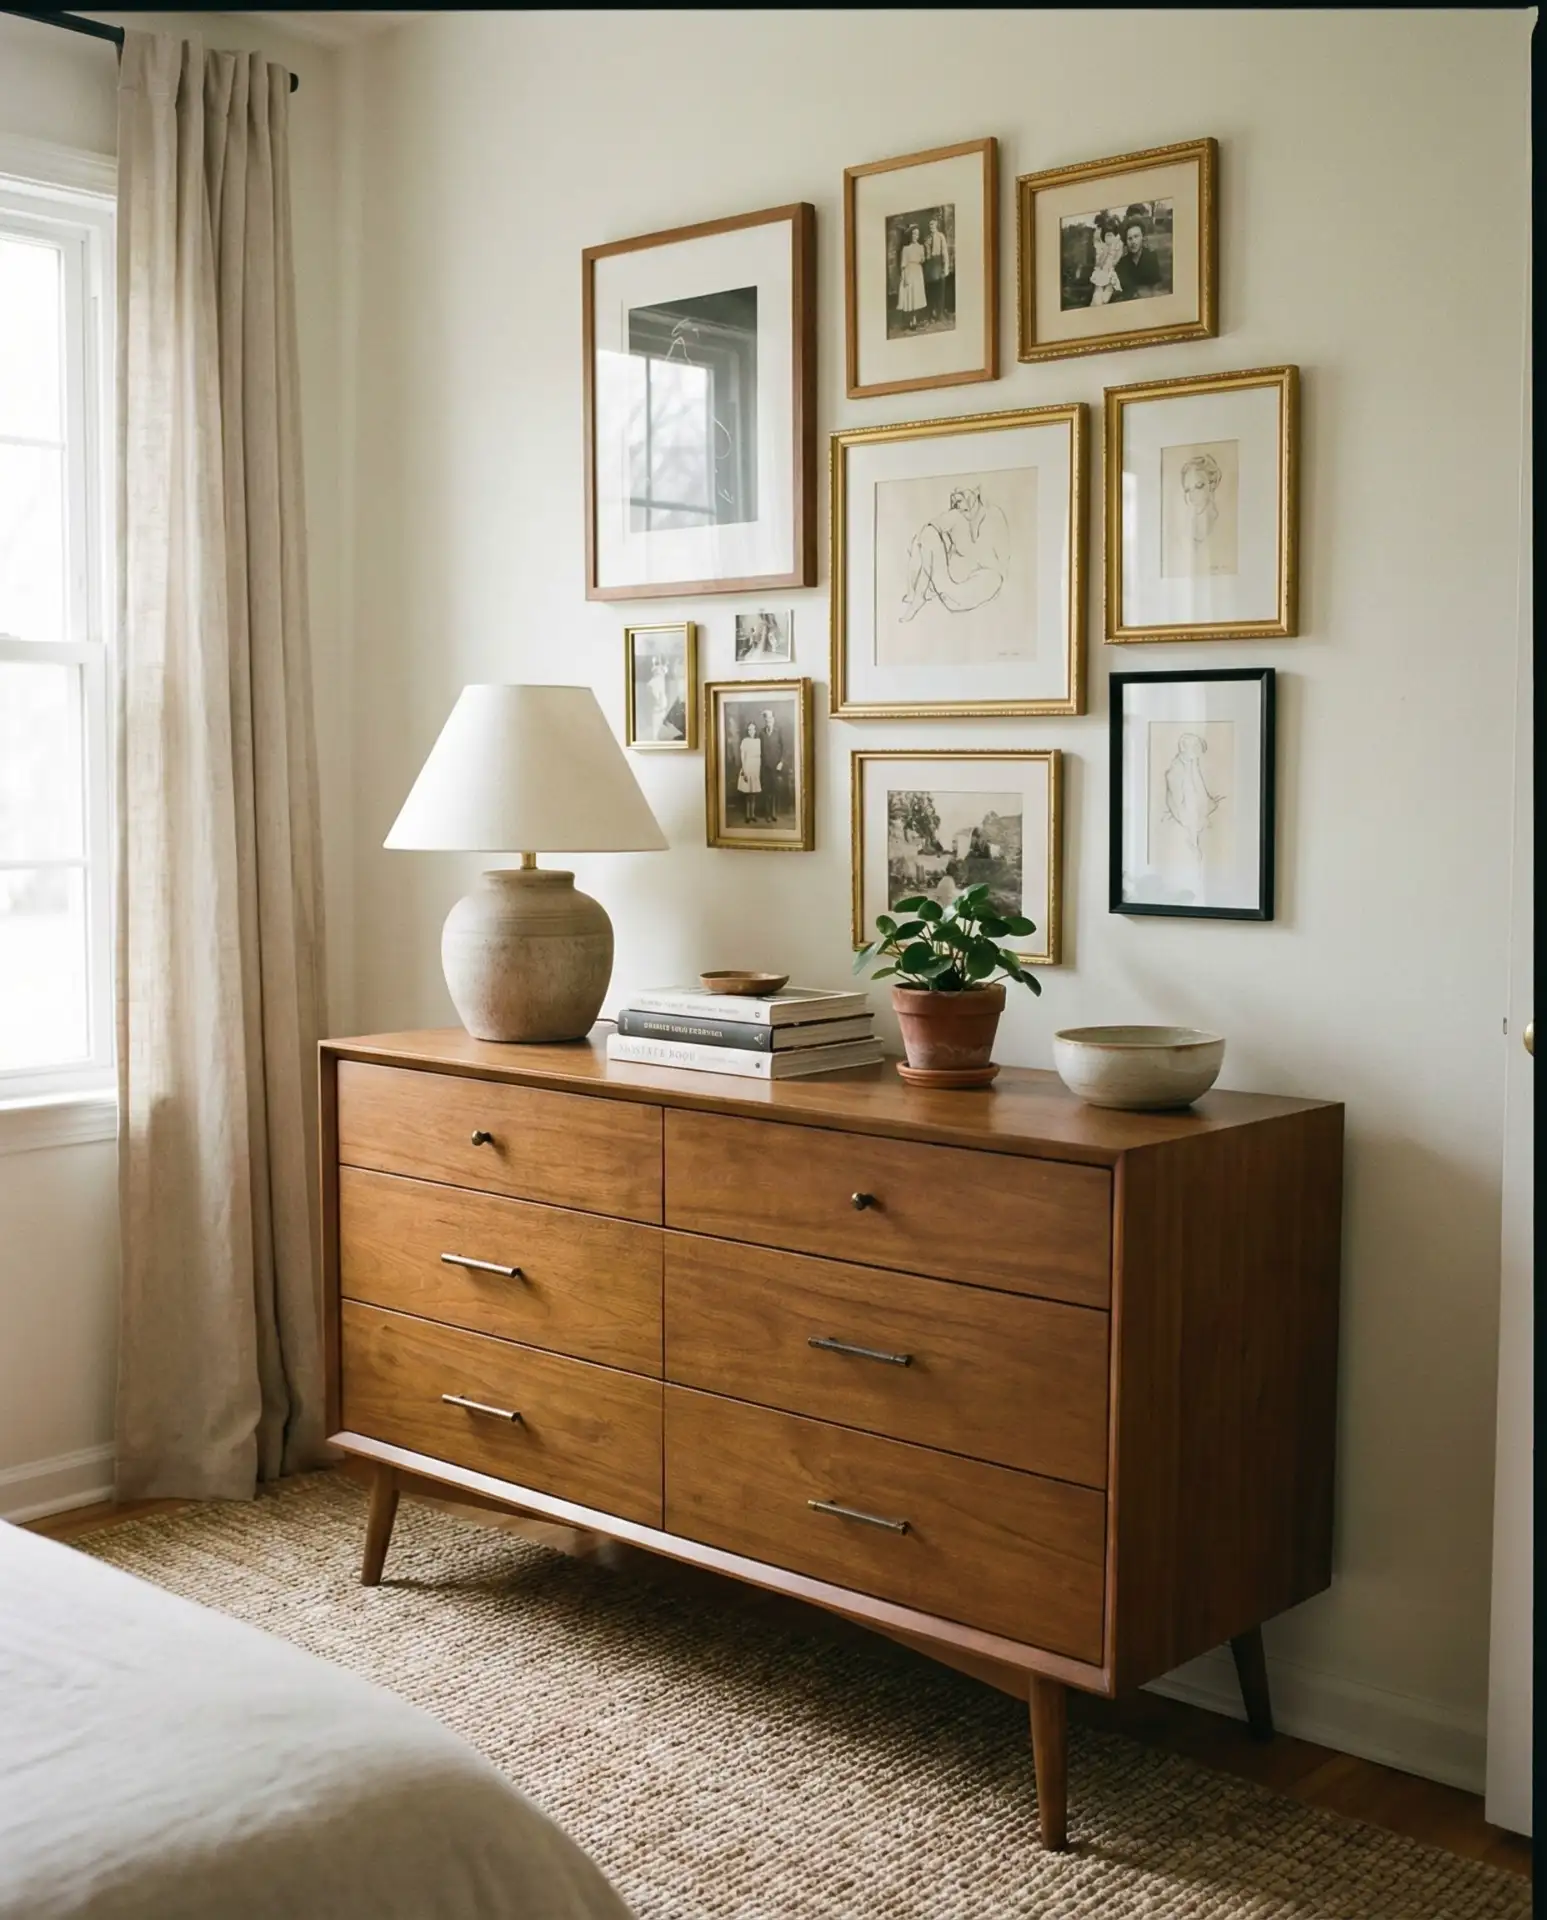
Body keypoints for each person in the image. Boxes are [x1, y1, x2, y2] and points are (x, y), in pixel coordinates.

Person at [900, 484, 1009, 620]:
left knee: (993, 577)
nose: (957, 504)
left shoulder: (993, 515)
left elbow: (1002, 562)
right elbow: (924, 535)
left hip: (976, 585)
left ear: (976, 492)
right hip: (948, 586)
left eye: (963, 496)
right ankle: (918, 596)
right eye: (955, 500)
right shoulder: (956, 516)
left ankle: (919, 596)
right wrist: (912, 588)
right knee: (927, 535)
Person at [1115, 214, 1162, 299]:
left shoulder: (1151, 257)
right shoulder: (1122, 263)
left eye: (1136, 236)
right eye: (1130, 238)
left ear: (1142, 237)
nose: (1133, 242)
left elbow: (1156, 286)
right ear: (1125, 242)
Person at [757, 707, 787, 823]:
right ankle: (767, 814)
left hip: (776, 766)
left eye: (770, 718)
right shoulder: (761, 733)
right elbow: (758, 750)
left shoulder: (778, 732)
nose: (768, 721)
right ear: (764, 721)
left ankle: (774, 813)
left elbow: (784, 749)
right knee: (766, 791)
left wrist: (781, 762)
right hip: (765, 767)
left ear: (773, 719)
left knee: (775, 790)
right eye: (766, 719)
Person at [1088, 212, 1124, 305]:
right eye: (1106, 235)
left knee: (1107, 293)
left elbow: (1116, 260)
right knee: (1097, 295)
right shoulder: (1101, 248)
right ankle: (1097, 300)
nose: (1109, 237)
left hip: (1110, 271)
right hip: (1101, 271)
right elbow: (1099, 263)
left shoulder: (1117, 246)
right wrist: (1105, 251)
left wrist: (1113, 251)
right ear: (1103, 237)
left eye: (1111, 235)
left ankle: (1107, 293)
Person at [895, 225, 927, 330]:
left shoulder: (921, 247)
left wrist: (923, 258)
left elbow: (922, 260)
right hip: (909, 272)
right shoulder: (906, 249)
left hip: (917, 272)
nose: (915, 236)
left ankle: (915, 319)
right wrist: (905, 277)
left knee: (916, 297)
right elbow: (903, 265)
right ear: (910, 235)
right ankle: (909, 320)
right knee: (910, 296)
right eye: (913, 234)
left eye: (917, 234)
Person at [923, 215, 952, 325]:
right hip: (930, 266)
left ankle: (940, 313)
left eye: (933, 224)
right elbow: (925, 255)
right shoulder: (927, 238)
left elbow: (944, 253)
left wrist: (945, 267)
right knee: (931, 290)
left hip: (938, 263)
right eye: (930, 224)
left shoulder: (940, 236)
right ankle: (932, 313)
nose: (931, 226)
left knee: (940, 289)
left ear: (936, 225)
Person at [735, 721, 762, 825]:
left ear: (755, 730)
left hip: (756, 767)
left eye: (753, 729)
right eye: (749, 729)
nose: (751, 731)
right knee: (748, 793)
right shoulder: (745, 741)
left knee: (753, 793)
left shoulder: (759, 741)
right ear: (747, 731)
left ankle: (753, 815)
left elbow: (760, 756)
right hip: (747, 765)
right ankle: (747, 815)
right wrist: (744, 770)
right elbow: (743, 756)